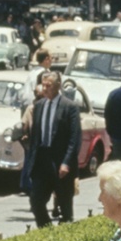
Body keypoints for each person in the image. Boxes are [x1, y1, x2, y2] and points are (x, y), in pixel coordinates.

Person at [21, 70, 81, 227]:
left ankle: (64, 237)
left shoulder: (70, 107)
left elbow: (74, 139)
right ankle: (47, 231)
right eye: (43, 85)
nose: (45, 88)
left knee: (65, 208)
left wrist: (66, 162)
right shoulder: (39, 106)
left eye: (49, 85)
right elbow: (35, 137)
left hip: (60, 162)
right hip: (42, 162)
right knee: (36, 201)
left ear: (58, 86)